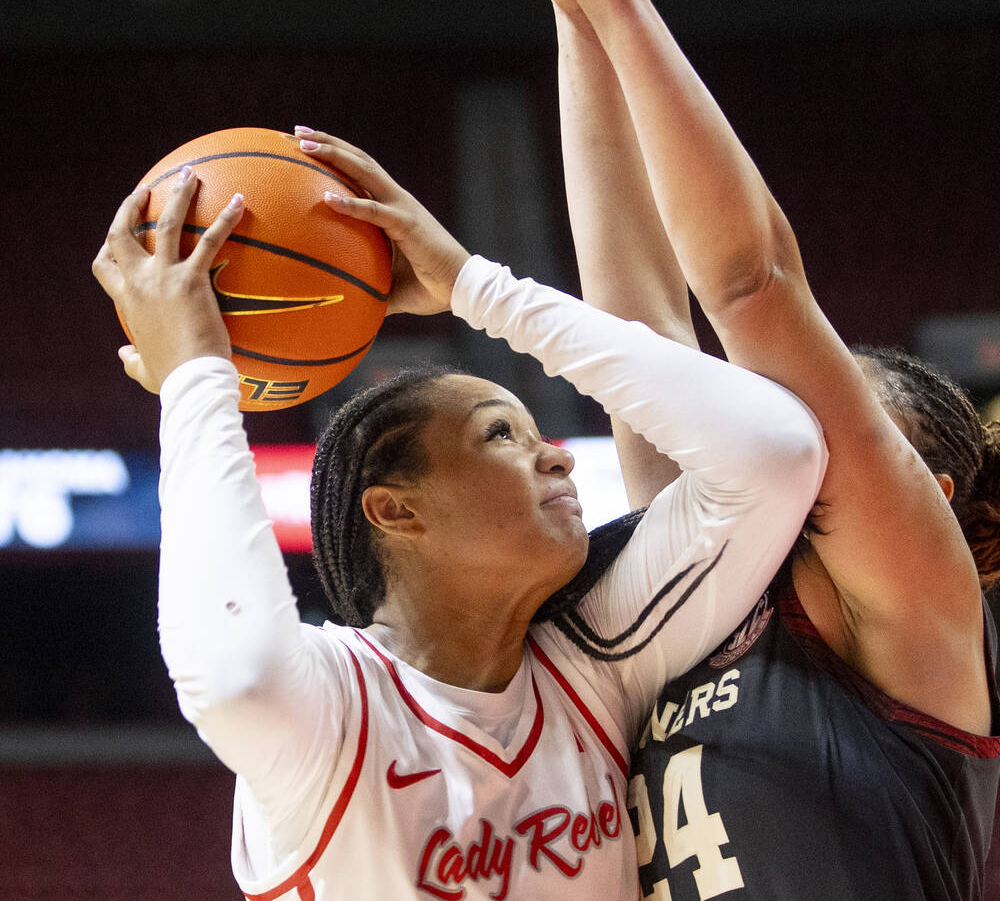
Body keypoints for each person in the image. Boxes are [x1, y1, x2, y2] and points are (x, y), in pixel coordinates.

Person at [469, 0, 1000, 901]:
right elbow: (633, 320)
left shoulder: (913, 611)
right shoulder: (707, 569)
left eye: (807, 408)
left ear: (918, 499)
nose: (762, 415)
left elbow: (750, 288)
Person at [91, 131, 827, 899]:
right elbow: (235, 675)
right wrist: (195, 379)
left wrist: (478, 289)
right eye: (502, 435)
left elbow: (775, 455)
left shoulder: (592, 668)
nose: (560, 458)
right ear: (396, 510)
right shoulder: (337, 705)